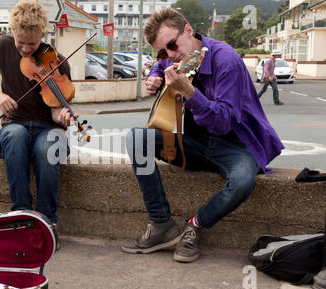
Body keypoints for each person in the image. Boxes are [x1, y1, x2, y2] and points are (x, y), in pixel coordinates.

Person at [122, 8, 284, 263]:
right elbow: (160, 65)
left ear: (188, 30)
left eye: (173, 46)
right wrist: (153, 78)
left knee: (242, 181)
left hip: (235, 145)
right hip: (196, 144)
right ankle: (161, 224)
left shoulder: (225, 59)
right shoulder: (179, 55)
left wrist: (190, 93)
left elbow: (223, 121)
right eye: (164, 50)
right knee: (136, 138)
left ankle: (195, 225)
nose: (171, 54)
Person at [0, 0, 76, 244]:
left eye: (33, 44)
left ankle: (47, 223)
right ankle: (21, 216)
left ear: (43, 36)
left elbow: (56, 113)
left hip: (48, 128)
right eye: (21, 43)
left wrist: (64, 117)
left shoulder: (56, 61)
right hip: (14, 126)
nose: (26, 49)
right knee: (17, 136)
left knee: (47, 148)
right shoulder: (1, 46)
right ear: (13, 33)